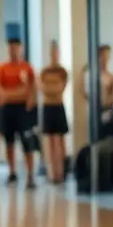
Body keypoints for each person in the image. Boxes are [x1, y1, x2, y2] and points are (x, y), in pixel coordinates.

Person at [0, 38, 37, 187]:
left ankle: (30, 175)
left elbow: (31, 90)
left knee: (27, 143)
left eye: (16, 48)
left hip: (23, 111)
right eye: (11, 48)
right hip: (7, 111)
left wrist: (11, 94)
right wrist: (18, 93)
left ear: (21, 49)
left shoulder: (27, 68)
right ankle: (12, 172)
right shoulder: (2, 68)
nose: (14, 51)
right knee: (9, 142)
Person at [39, 42, 69, 184]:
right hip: (47, 107)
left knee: (60, 141)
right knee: (49, 142)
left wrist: (51, 88)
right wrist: (53, 87)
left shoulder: (62, 71)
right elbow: (43, 89)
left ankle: (61, 172)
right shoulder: (44, 71)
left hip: (59, 106)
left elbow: (60, 89)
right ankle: (51, 173)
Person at [78, 45, 113, 138]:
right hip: (96, 110)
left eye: (107, 56)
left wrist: (112, 99)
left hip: (108, 110)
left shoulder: (112, 77)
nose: (105, 59)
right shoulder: (91, 76)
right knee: (97, 137)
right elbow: (84, 92)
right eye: (102, 56)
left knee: (112, 137)